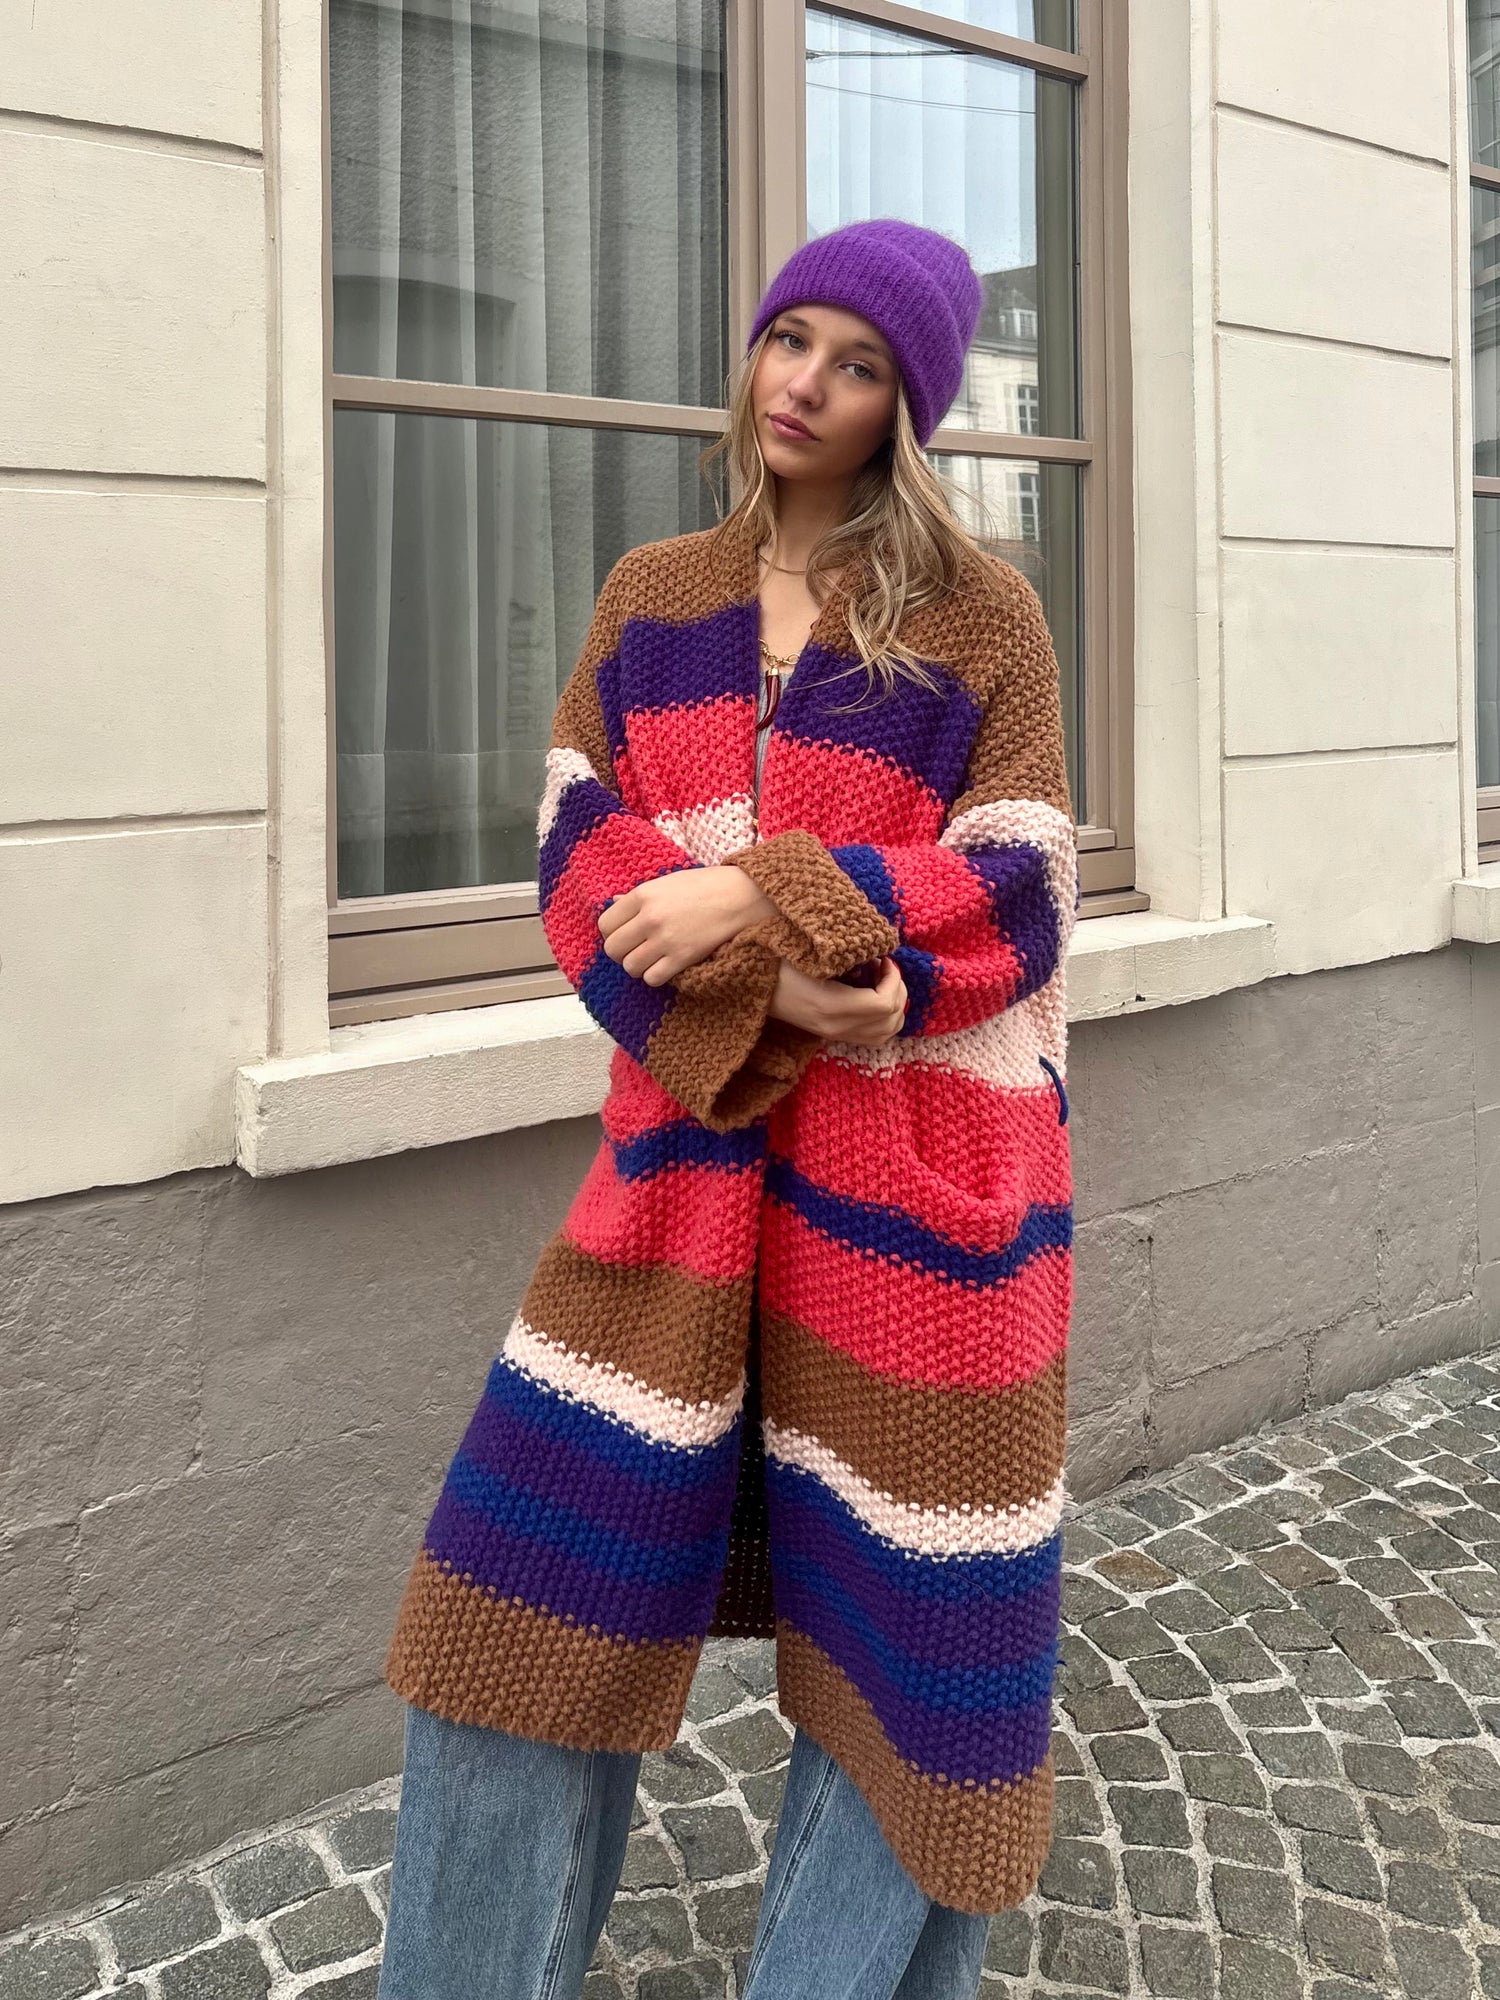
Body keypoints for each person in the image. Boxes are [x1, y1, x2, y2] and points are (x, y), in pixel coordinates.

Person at [376, 217, 1080, 2000]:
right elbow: (576, 857)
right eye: (790, 339)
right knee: (506, 1628)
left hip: (916, 1222)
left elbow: (1020, 891)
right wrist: (779, 990)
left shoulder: (981, 618)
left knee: (911, 1684)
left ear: (907, 404)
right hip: (674, 1191)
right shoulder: (653, 595)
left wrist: (766, 893)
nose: (807, 384)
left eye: (859, 364)